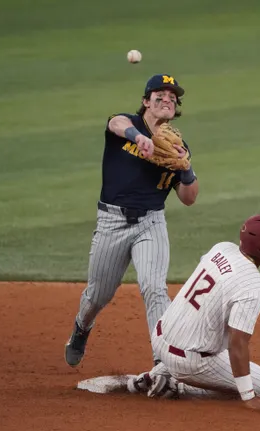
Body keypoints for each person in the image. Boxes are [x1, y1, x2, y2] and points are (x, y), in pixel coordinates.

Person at [65, 74, 199, 367]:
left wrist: (186, 169)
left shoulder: (178, 145)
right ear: (145, 102)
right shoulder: (126, 124)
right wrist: (138, 137)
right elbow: (116, 124)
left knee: (154, 288)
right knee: (98, 295)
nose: (167, 100)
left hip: (151, 223)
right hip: (111, 222)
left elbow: (189, 198)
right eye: (159, 95)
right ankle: (81, 328)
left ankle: (162, 361)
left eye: (172, 98)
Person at [126, 213, 260, 410]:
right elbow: (237, 343)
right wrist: (248, 395)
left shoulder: (223, 248)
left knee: (213, 322)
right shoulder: (253, 287)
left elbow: (225, 283)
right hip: (188, 363)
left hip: (161, 337)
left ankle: (158, 374)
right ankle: (175, 387)